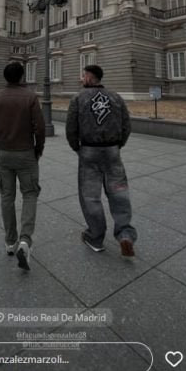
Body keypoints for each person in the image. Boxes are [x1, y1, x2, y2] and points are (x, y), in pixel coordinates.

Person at [66, 65, 137, 256]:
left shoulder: (78, 98)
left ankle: (95, 237)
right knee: (119, 192)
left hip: (89, 150)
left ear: (89, 77)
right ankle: (125, 235)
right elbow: (126, 125)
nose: (82, 79)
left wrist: (78, 148)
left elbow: (71, 129)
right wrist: (118, 145)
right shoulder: (116, 97)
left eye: (83, 76)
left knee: (91, 196)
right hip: (113, 150)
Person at [0, 62, 45, 271]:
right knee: (29, 194)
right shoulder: (30, 97)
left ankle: (10, 242)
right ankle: (25, 241)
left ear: (5, 77)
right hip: (26, 153)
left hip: (4, 154)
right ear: (21, 77)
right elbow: (40, 128)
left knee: (6, 197)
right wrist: (38, 150)